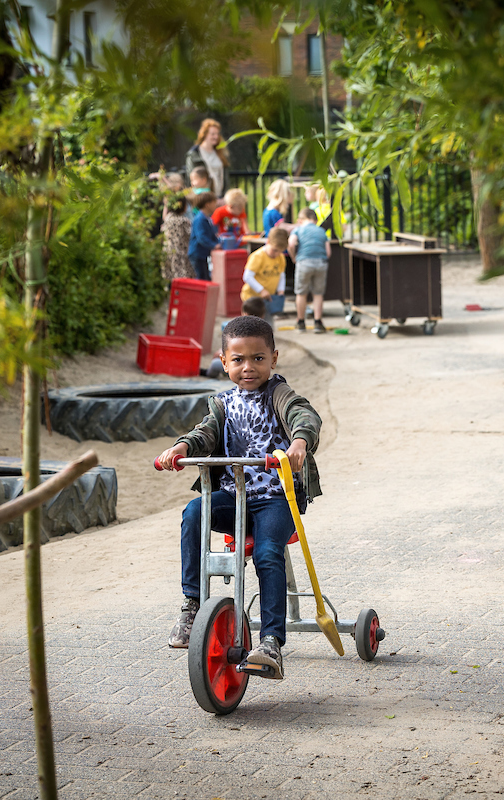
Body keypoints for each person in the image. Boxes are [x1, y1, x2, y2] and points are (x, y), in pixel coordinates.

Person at [157, 315, 324, 680]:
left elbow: (304, 415)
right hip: (235, 496)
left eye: (258, 359)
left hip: (277, 499)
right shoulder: (223, 404)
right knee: (195, 512)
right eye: (239, 360)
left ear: (274, 359)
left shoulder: (277, 393)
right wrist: (182, 446)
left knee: (267, 553)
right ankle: (192, 604)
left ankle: (271, 643)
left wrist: (299, 442)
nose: (248, 367)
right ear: (223, 361)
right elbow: (205, 433)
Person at [289, 207, 332, 333]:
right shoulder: (321, 231)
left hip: (304, 262)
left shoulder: (298, 230)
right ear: (315, 220)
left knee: (301, 293)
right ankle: (318, 322)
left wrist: (294, 257)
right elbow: (328, 252)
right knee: (318, 293)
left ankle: (300, 322)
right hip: (321, 263)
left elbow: (291, 244)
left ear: (300, 220)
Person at [242, 228, 289, 321]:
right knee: (251, 325)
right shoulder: (258, 256)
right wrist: (261, 290)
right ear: (268, 242)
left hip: (268, 299)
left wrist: (281, 290)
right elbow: (247, 276)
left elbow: (281, 275)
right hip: (252, 299)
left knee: (267, 325)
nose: (277, 254)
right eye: (275, 250)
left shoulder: (280, 258)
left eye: (280, 251)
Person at [185, 118, 228, 198]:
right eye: (212, 134)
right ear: (204, 134)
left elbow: (225, 178)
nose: (216, 137)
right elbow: (192, 177)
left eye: (217, 134)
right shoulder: (194, 154)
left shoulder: (220, 153)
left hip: (220, 196)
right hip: (203, 198)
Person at [160, 193, 193, 284]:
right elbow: (191, 235)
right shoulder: (184, 221)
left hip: (169, 251)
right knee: (183, 276)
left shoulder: (167, 220)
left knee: (171, 277)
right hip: (181, 252)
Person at [187, 191, 220, 282]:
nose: (216, 205)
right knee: (201, 278)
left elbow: (211, 234)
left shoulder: (206, 218)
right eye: (214, 202)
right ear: (207, 204)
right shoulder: (200, 219)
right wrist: (214, 245)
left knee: (205, 277)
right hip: (197, 254)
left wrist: (218, 241)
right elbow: (201, 237)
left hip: (203, 254)